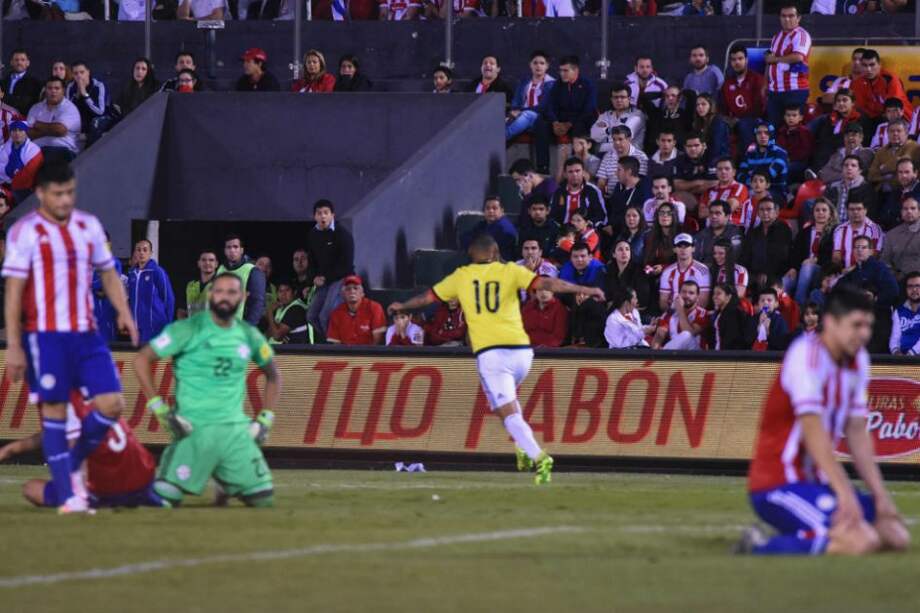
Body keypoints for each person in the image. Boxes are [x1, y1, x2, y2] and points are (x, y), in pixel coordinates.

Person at [387, 233, 606, 484]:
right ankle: (522, 447)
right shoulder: (511, 271)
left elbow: (427, 298)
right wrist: (585, 289)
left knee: (509, 413)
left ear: (472, 255)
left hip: (492, 355)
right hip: (523, 354)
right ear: (494, 253)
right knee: (498, 405)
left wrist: (402, 306)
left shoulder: (462, 276)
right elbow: (547, 285)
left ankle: (539, 456)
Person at [2, 163, 139, 513]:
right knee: (55, 413)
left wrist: (123, 310)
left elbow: (108, 272)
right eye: (58, 194)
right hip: (45, 337)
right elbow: (14, 290)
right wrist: (15, 345)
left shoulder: (88, 226)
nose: (65, 200)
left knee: (112, 404)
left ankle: (73, 463)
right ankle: (68, 495)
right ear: (41, 193)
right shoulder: (24, 231)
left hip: (87, 335)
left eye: (70, 193)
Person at [737, 284, 910, 556]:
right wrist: (844, 492)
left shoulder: (858, 360)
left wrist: (881, 497)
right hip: (778, 483)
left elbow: (856, 432)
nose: (864, 334)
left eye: (868, 325)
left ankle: (808, 532)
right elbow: (812, 429)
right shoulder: (806, 356)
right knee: (859, 542)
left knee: (896, 536)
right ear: (831, 323)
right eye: (856, 325)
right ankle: (759, 547)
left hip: (816, 482)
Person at [134, 273, 280, 508]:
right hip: (194, 430)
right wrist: (160, 409)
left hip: (235, 432)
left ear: (243, 297)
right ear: (210, 294)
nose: (225, 297)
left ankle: (225, 477)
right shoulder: (187, 329)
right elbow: (141, 360)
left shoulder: (248, 334)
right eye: (219, 291)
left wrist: (265, 419)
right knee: (163, 500)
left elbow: (274, 376)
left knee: (263, 500)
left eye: (232, 292)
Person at [0, 394, 165, 509]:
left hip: (104, 486)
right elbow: (59, 431)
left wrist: (79, 493)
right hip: (143, 477)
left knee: (31, 488)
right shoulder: (95, 393)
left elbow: (71, 440)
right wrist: (12, 449)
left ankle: (92, 499)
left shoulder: (59, 395)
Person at [536, 55, 596, 175]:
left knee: (581, 125)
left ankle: (578, 169)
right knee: (540, 124)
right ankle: (543, 168)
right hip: (560, 122)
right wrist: (554, 122)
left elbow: (589, 109)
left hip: (578, 120)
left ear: (576, 71)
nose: (562, 74)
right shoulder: (557, 85)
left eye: (566, 70)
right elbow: (549, 106)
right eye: (560, 70)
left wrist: (569, 124)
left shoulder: (587, 85)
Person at [306, 199, 355, 335]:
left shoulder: (343, 235)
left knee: (325, 315)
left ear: (333, 215)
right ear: (314, 216)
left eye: (326, 213)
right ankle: (329, 341)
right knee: (311, 316)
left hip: (340, 279)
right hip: (323, 281)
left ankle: (334, 347)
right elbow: (312, 260)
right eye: (319, 213)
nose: (323, 216)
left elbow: (347, 265)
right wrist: (313, 278)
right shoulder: (312, 235)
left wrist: (325, 278)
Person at [764, 3, 812, 128]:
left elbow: (798, 57)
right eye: (783, 16)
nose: (787, 19)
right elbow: (770, 61)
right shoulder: (776, 36)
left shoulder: (801, 35)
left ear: (799, 18)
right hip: (775, 90)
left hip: (794, 90)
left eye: (791, 16)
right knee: (773, 129)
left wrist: (775, 59)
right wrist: (765, 83)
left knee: (793, 129)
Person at [788, 197, 837, 306]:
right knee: (786, 281)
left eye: (824, 210)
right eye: (817, 210)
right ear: (813, 213)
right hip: (801, 267)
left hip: (822, 270)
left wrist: (815, 260)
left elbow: (833, 254)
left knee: (807, 267)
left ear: (830, 213)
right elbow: (795, 252)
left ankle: (798, 305)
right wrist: (793, 268)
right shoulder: (805, 231)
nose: (820, 213)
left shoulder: (835, 232)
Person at [559, 242, 607, 347]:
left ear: (590, 257)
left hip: (595, 303)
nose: (579, 260)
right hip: (573, 299)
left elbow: (601, 292)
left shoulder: (599, 269)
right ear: (570, 258)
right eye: (575, 256)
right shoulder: (567, 268)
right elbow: (563, 290)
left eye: (583, 256)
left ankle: (584, 340)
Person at [127, 239, 175, 344]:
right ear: (135, 253)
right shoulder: (132, 274)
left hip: (155, 327)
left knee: (155, 360)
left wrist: (168, 323)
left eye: (145, 250)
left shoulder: (157, 271)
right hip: (137, 329)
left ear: (150, 253)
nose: (141, 253)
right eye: (138, 250)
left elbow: (168, 298)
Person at [721, 44, 767, 154]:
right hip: (734, 120)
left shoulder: (758, 80)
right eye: (733, 60)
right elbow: (722, 108)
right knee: (719, 125)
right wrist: (728, 119)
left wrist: (740, 119)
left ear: (746, 60)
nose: (737, 62)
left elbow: (760, 107)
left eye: (740, 59)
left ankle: (746, 163)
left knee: (744, 125)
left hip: (754, 119)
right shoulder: (727, 84)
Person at [851, 49, 913, 126]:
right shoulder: (858, 82)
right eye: (865, 65)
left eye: (872, 65)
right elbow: (860, 107)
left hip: (902, 118)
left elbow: (893, 107)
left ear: (879, 65)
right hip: (875, 118)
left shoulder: (890, 79)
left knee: (889, 115)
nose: (868, 69)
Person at [741, 198, 793, 290]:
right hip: (754, 275)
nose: (765, 213)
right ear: (757, 213)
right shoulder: (753, 232)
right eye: (762, 209)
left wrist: (766, 273)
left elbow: (781, 256)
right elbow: (746, 256)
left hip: (778, 275)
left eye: (768, 209)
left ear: (776, 213)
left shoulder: (783, 229)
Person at [26, 77, 81, 164]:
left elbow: (60, 130)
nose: (53, 91)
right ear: (45, 90)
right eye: (50, 88)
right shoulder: (36, 108)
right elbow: (28, 133)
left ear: (63, 90)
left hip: (62, 149)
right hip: (36, 150)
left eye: (57, 88)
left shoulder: (69, 108)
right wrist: (51, 129)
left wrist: (36, 124)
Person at [217, 234, 267, 326]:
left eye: (235, 247)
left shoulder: (253, 271)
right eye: (229, 247)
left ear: (241, 250)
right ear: (225, 251)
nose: (232, 250)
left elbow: (257, 305)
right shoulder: (220, 269)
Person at [839, 236, 899, 311]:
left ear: (871, 251)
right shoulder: (853, 271)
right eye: (857, 247)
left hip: (877, 313)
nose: (859, 250)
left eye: (864, 247)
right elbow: (839, 288)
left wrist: (875, 298)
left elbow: (893, 290)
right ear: (853, 251)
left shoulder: (879, 268)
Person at [811, 89, 864, 175]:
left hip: (849, 148)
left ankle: (819, 173)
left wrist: (833, 141)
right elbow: (823, 135)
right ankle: (816, 173)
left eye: (845, 100)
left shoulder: (860, 118)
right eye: (838, 101)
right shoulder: (831, 117)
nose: (841, 103)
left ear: (853, 103)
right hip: (830, 147)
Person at [507, 50, 555, 141]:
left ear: (547, 66)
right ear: (530, 65)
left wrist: (521, 111)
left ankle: (500, 138)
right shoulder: (524, 82)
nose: (538, 66)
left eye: (542, 63)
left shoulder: (552, 84)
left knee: (528, 114)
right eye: (535, 63)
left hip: (540, 119)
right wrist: (513, 111)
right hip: (521, 118)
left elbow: (543, 107)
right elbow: (516, 101)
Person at [326, 275, 386, 345]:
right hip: (346, 354)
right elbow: (336, 343)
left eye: (355, 288)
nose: (352, 291)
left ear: (362, 293)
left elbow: (378, 340)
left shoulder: (374, 307)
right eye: (348, 289)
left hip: (369, 353)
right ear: (343, 294)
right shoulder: (336, 313)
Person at [651, 279, 710, 350]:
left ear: (697, 296)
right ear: (679, 294)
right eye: (684, 292)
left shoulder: (702, 313)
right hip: (675, 354)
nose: (687, 295)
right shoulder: (669, 313)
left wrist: (680, 310)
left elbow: (691, 333)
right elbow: (660, 335)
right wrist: (655, 349)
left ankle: (665, 355)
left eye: (691, 293)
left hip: (696, 354)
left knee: (686, 335)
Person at [591, 82, 646, 156]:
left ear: (629, 99)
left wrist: (605, 133)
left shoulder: (637, 115)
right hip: (607, 155)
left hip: (630, 157)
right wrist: (610, 132)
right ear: (611, 99)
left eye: (622, 97)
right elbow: (594, 135)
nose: (619, 100)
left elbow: (622, 139)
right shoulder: (606, 115)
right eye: (615, 97)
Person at [659, 233, 710, 311]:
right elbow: (663, 301)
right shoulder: (667, 272)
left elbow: (703, 301)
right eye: (679, 246)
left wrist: (684, 315)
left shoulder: (702, 270)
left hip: (694, 314)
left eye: (686, 246)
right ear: (674, 250)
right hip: (672, 313)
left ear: (693, 249)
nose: (683, 250)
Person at [549, 157, 606, 227]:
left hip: (587, 231)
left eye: (577, 171)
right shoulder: (558, 192)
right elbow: (552, 216)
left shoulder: (593, 191)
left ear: (583, 172)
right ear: (565, 174)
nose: (574, 174)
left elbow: (601, 215)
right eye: (570, 172)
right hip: (563, 232)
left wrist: (588, 225)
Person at [596, 127, 649, 199]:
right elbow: (601, 182)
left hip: (632, 197)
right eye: (614, 139)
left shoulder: (641, 157)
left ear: (629, 139)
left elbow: (641, 183)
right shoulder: (608, 156)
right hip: (610, 198)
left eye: (620, 139)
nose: (617, 143)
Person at [868, 119, 919, 193]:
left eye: (899, 131)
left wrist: (883, 169)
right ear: (887, 134)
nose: (895, 134)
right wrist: (891, 173)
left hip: (907, 191)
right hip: (881, 193)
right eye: (891, 131)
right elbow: (871, 175)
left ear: (906, 133)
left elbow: (903, 168)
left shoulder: (914, 147)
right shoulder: (880, 151)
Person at [832, 199, 884, 269]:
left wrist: (855, 270)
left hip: (866, 272)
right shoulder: (840, 229)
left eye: (859, 209)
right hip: (844, 272)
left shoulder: (874, 229)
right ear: (847, 211)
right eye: (851, 209)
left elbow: (874, 255)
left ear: (865, 210)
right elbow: (836, 256)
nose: (855, 212)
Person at [463, 196, 518, 262]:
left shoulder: (505, 228)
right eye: (487, 208)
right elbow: (465, 238)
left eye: (494, 208)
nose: (491, 211)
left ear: (502, 210)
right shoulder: (483, 224)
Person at [824, 155, 877, 222]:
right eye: (846, 165)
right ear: (842, 169)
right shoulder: (832, 187)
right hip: (832, 227)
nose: (849, 168)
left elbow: (869, 215)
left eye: (853, 165)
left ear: (860, 170)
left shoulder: (866, 189)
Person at [699, 157, 750, 226]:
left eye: (727, 169)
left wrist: (710, 205)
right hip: (709, 230)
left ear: (734, 172)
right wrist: (723, 205)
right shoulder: (709, 190)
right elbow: (701, 213)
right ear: (716, 172)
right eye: (720, 169)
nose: (723, 172)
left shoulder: (739, 187)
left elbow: (729, 208)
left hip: (731, 228)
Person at [65, 62, 108, 144]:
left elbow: (100, 112)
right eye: (76, 73)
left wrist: (85, 94)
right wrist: (77, 94)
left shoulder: (98, 86)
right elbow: (68, 111)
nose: (79, 76)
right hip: (81, 118)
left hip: (99, 118)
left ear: (88, 72)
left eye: (82, 72)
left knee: (96, 122)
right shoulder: (70, 87)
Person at [605, 157, 649, 236]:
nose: (616, 173)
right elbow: (613, 208)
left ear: (628, 172)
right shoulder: (618, 186)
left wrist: (614, 226)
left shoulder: (644, 189)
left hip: (633, 232)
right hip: (613, 229)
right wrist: (610, 225)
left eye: (619, 170)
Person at [0, 121, 44, 197]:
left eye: (20, 130)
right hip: (4, 184)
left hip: (23, 188)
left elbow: (28, 177)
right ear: (10, 133)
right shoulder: (3, 148)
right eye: (14, 130)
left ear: (26, 132)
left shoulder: (34, 151)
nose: (17, 133)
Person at [880, 198, 920, 281]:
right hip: (899, 281)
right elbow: (884, 261)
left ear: (919, 212)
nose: (909, 211)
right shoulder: (891, 235)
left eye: (913, 208)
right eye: (905, 209)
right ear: (901, 212)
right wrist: (896, 277)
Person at [673, 132, 717, 208]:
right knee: (676, 195)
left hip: (712, 195)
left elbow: (717, 183)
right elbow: (678, 186)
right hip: (690, 197)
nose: (693, 149)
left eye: (696, 145)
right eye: (689, 146)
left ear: (703, 146)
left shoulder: (713, 158)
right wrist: (698, 182)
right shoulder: (680, 160)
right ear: (685, 147)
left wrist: (689, 187)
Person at [605, 238, 650, 311]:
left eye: (627, 249)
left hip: (637, 311)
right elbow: (608, 297)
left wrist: (617, 304)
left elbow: (642, 301)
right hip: (616, 311)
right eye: (620, 249)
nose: (624, 252)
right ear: (614, 254)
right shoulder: (610, 270)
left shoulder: (639, 271)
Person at [510, 158, 558, 223]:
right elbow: (523, 218)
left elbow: (536, 217)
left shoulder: (549, 187)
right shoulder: (528, 190)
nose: (517, 183)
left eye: (518, 179)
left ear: (528, 176)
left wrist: (527, 195)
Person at [696, 200, 743, 265]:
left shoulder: (735, 233)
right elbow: (696, 258)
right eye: (711, 213)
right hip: (705, 272)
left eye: (718, 213)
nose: (713, 216)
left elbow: (736, 257)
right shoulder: (702, 235)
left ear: (727, 216)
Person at [776, 105, 814, 184]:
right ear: (784, 117)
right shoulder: (781, 131)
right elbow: (778, 148)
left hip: (800, 162)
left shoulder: (804, 132)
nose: (791, 118)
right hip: (784, 160)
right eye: (788, 115)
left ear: (800, 118)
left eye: (794, 115)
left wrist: (790, 159)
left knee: (785, 169)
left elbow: (806, 151)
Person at [880, 158, 920, 231]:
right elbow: (884, 215)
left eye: (907, 172)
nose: (903, 175)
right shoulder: (896, 191)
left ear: (915, 173)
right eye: (900, 172)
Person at [709, 282, 751, 350]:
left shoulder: (733, 313)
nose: (714, 297)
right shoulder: (720, 313)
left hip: (727, 356)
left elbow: (731, 339)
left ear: (728, 296)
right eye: (714, 294)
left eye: (718, 293)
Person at [1, 49, 43, 116]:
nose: (19, 63)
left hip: (23, 120)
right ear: (11, 62)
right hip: (3, 120)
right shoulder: (3, 81)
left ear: (28, 63)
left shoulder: (34, 82)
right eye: (16, 60)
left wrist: (4, 97)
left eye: (22, 60)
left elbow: (26, 103)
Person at [179, 248, 218, 319]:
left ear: (216, 264)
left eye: (211, 260)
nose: (207, 263)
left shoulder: (221, 285)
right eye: (204, 260)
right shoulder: (190, 285)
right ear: (198, 263)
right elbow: (182, 310)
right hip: (193, 328)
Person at [691, 93, 728, 165]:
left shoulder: (718, 122)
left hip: (718, 159)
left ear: (711, 106)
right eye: (697, 105)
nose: (700, 107)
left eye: (703, 104)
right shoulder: (698, 123)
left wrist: (703, 164)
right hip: (704, 158)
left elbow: (716, 147)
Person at [890, 271, 920, 355]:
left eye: (918, 286)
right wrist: (896, 351)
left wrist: (910, 354)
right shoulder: (898, 312)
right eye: (910, 286)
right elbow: (894, 338)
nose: (914, 289)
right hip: (903, 359)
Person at [751, 287, 790, 351]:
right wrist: (758, 329)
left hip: (771, 358)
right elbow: (746, 341)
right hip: (752, 358)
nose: (765, 303)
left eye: (769, 300)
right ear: (758, 303)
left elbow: (783, 344)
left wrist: (768, 334)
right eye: (762, 300)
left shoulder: (780, 321)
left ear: (776, 304)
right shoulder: (753, 319)